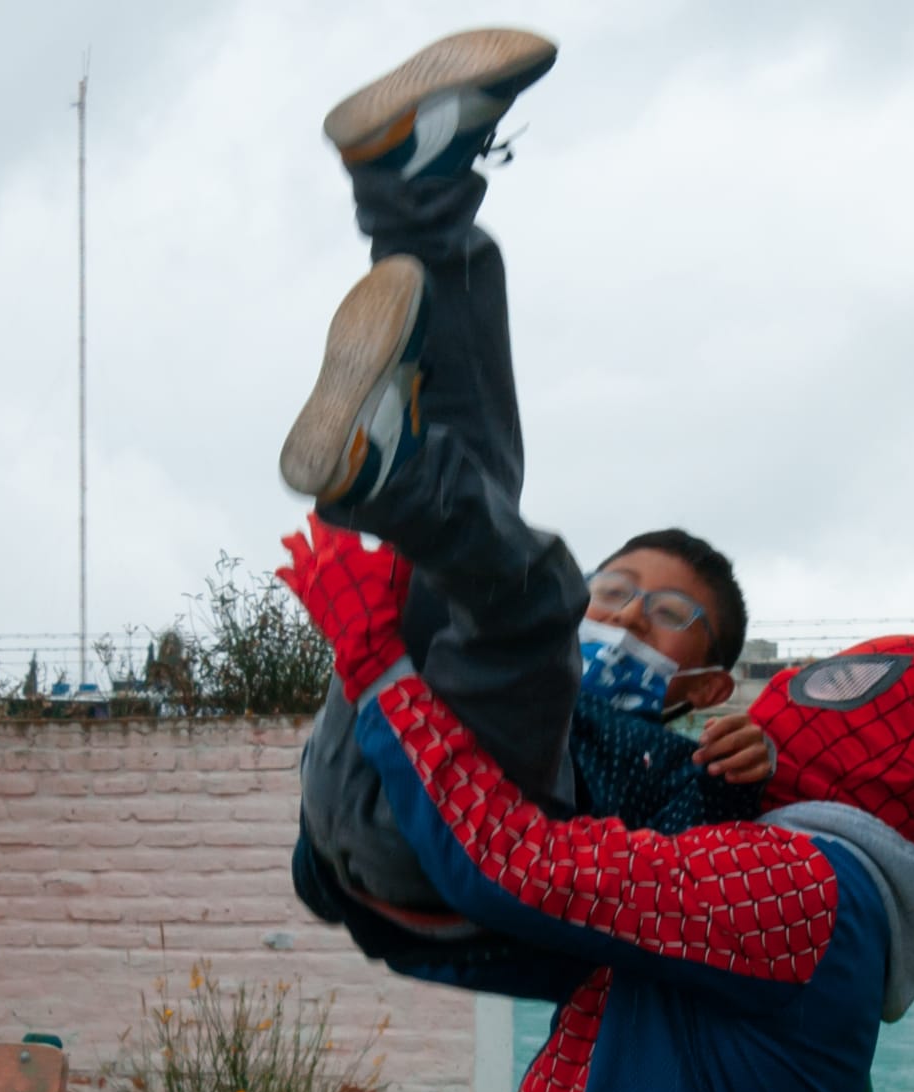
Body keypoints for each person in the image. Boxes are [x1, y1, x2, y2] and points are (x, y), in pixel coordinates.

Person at [291, 525, 914, 1092]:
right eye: (614, 590)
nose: (625, 619)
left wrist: (382, 669)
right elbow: (516, 937)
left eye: (833, 686)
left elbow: (520, 864)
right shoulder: (756, 871)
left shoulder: (799, 881)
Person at [277, 26, 768, 950]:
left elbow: (681, 889)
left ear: (703, 683)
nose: (626, 615)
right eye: (616, 589)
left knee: (528, 588)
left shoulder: (679, 765)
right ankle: (412, 185)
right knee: (482, 492)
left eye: (669, 615)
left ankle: (389, 469)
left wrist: (745, 772)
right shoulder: (521, 651)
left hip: (441, 864)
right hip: (369, 767)